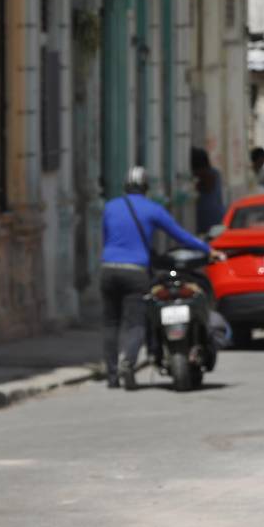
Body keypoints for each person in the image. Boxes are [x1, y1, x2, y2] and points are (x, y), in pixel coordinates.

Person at [100, 167, 216, 389]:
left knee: (111, 323)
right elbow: (179, 234)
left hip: (108, 268)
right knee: (136, 322)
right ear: (145, 188)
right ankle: (129, 361)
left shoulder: (110, 207)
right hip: (135, 271)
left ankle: (112, 375)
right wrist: (207, 249)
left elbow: (107, 239)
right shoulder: (153, 209)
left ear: (125, 187)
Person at [191, 146, 226, 235]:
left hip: (211, 220)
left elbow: (207, 187)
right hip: (208, 220)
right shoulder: (212, 173)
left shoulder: (211, 174)